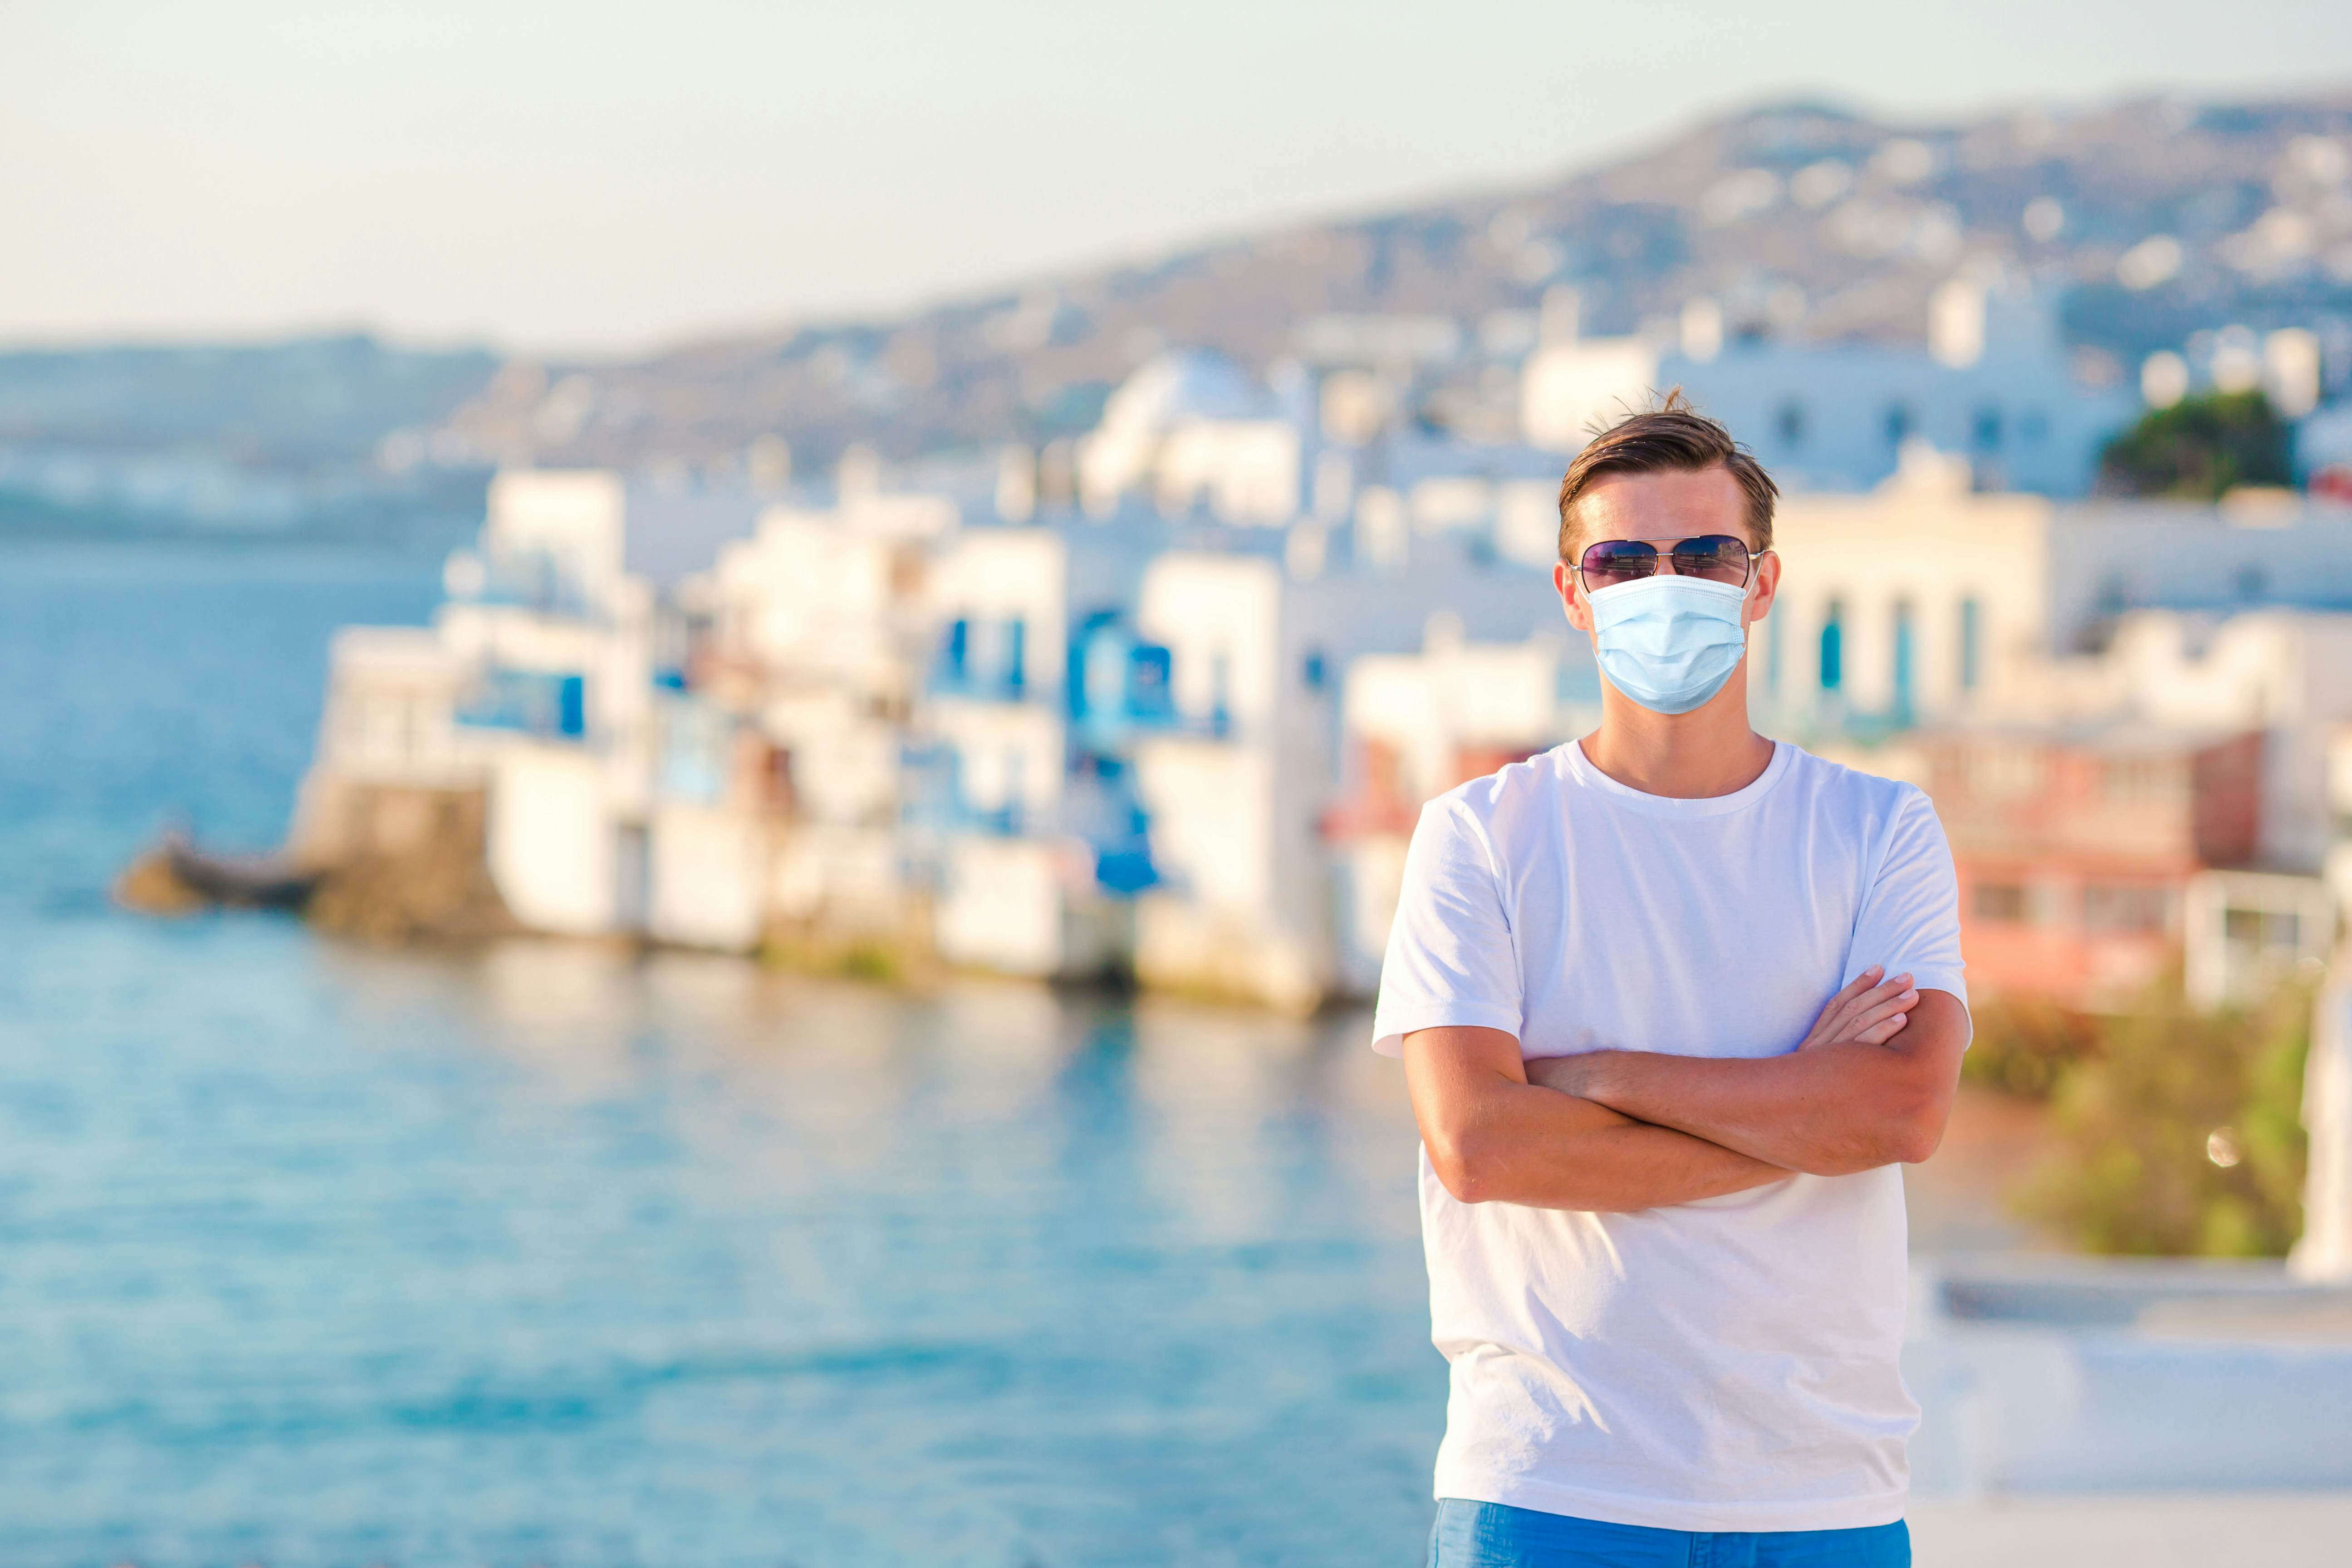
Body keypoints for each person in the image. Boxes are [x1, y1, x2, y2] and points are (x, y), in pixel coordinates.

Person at [1373, 395, 1968, 1568]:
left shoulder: (1878, 831)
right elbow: (1487, 1149)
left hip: (1823, 1501)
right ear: (1572, 593)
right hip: (1552, 1489)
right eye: (1623, 559)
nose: (1667, 583)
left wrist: (1600, 1080)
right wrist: (1804, 1109)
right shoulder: (1482, 837)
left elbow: (1901, 1110)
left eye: (1705, 554)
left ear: (1762, 582)